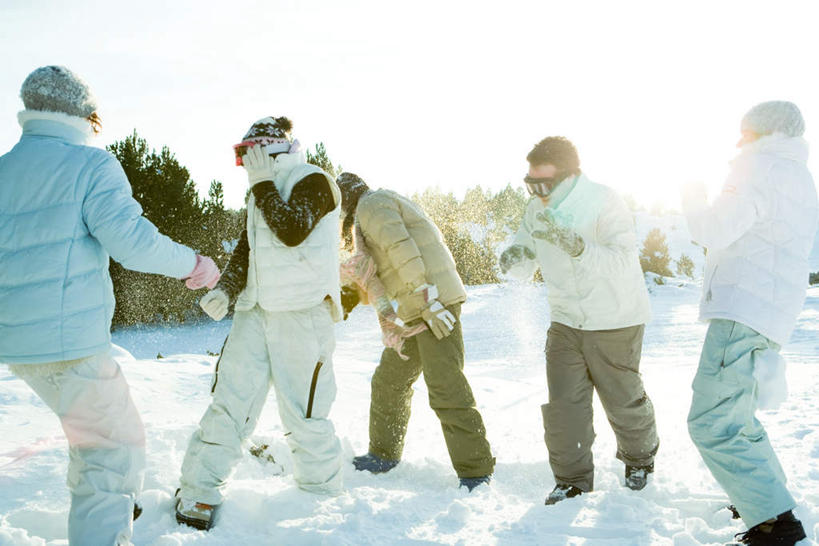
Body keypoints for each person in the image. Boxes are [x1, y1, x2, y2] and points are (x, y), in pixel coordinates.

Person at [0, 66, 219, 545]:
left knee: (103, 437)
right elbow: (132, 241)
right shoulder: (90, 165)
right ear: (83, 113)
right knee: (110, 451)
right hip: (70, 345)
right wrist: (194, 263)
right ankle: (104, 523)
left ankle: (117, 507)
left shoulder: (3, 169)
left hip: (17, 344)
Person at [175, 116, 345, 530]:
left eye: (248, 156)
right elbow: (248, 252)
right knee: (230, 401)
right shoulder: (258, 193)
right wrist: (227, 291)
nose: (245, 165)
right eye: (241, 157)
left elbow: (291, 230)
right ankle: (198, 492)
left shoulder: (314, 180)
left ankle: (319, 497)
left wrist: (263, 184)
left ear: (271, 149)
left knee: (304, 412)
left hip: (301, 315)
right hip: (255, 313)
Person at [682, 101, 817, 545]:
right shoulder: (795, 172)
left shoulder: (758, 168)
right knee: (735, 417)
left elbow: (713, 230)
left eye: (744, 133)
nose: (738, 142)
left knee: (712, 421)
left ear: (763, 134)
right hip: (767, 314)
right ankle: (760, 501)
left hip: (742, 311)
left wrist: (693, 196)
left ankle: (774, 521)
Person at [499, 136, 658, 505]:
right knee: (564, 406)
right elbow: (524, 260)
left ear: (570, 177)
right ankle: (572, 481)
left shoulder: (604, 200)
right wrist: (515, 259)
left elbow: (622, 262)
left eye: (544, 184)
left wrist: (579, 247)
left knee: (622, 400)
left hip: (615, 318)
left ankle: (639, 461)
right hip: (566, 319)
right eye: (530, 184)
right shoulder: (535, 210)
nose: (537, 192)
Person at [336, 172, 495, 491]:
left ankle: (475, 469)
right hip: (416, 309)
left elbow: (401, 250)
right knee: (389, 380)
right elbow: (376, 272)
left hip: (432, 303)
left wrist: (427, 300)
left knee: (444, 383)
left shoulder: (373, 205)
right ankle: (383, 454)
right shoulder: (367, 216)